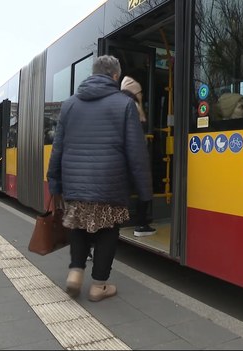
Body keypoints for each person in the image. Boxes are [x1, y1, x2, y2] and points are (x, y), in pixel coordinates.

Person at [47, 55, 152, 302]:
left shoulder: (70, 104)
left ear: (92, 73)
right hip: (110, 181)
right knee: (107, 230)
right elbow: (136, 152)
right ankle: (99, 286)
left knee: (79, 226)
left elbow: (58, 147)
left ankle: (75, 272)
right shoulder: (124, 104)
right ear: (115, 76)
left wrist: (55, 182)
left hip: (76, 181)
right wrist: (145, 191)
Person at [120, 76, 156, 237]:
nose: (142, 95)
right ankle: (141, 224)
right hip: (134, 158)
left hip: (124, 160)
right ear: (135, 92)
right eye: (140, 92)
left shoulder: (119, 104)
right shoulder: (132, 106)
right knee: (145, 187)